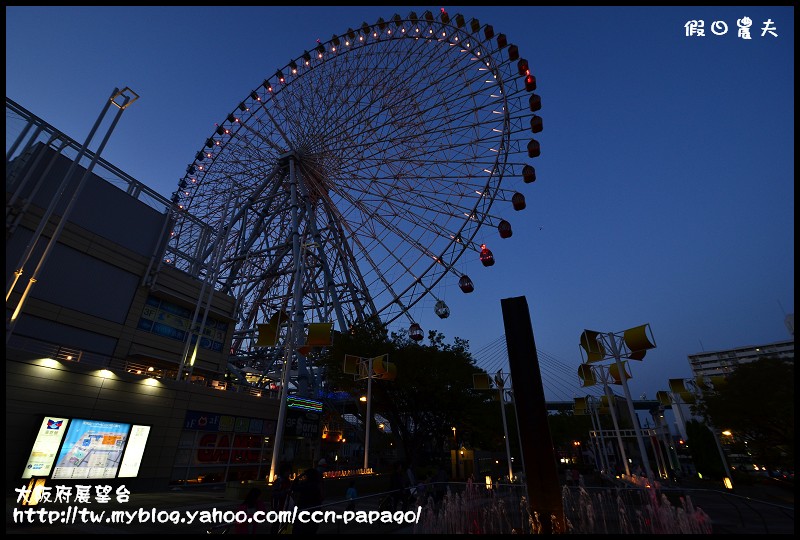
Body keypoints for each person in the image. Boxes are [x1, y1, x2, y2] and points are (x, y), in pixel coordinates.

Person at [292, 458, 327, 535]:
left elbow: (294, 487)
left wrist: (298, 477)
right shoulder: (316, 485)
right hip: (315, 508)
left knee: (302, 527)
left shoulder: (305, 485)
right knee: (312, 527)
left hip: (304, 508)